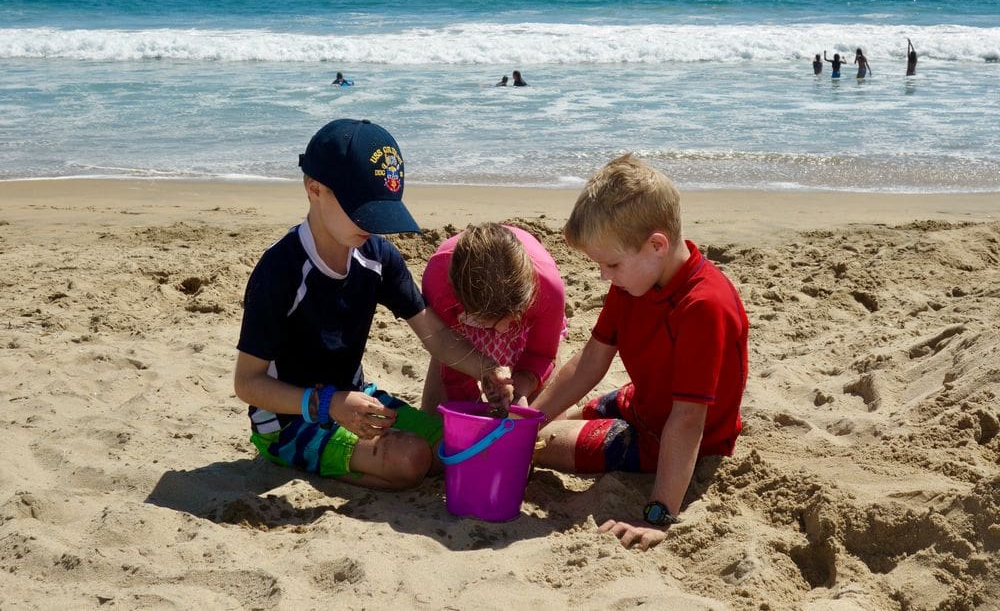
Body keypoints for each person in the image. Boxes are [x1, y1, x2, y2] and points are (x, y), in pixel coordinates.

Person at [233, 118, 514, 491]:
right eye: (360, 207)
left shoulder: (377, 257)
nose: (373, 224)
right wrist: (328, 404)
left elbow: (435, 335)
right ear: (314, 189)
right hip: (290, 418)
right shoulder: (281, 272)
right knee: (412, 460)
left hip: (358, 399)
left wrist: (487, 369)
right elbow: (247, 383)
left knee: (468, 447)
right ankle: (307, 462)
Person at [530, 154, 749, 551]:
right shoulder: (635, 283)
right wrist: (527, 418)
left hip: (669, 439)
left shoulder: (703, 306)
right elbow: (590, 361)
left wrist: (658, 515)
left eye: (611, 263)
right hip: (641, 402)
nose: (603, 276)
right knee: (535, 425)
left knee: (543, 444)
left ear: (656, 245)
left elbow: (687, 421)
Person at [420, 223, 567, 411]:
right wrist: (472, 407)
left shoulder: (549, 289)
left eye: (509, 319)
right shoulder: (438, 281)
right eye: (492, 322)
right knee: (435, 416)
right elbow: (448, 348)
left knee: (546, 416)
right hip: (460, 323)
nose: (502, 332)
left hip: (532, 312)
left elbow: (542, 353)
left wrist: (520, 393)